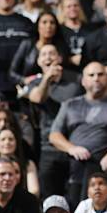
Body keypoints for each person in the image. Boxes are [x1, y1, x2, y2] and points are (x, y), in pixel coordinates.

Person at [49, 62, 107, 208]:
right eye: (91, 75)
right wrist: (72, 148)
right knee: (77, 212)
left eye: (100, 74)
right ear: (83, 80)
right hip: (77, 167)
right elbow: (54, 135)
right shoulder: (70, 104)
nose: (96, 78)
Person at [27, 44, 82, 198]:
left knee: (74, 195)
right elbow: (38, 98)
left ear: (60, 58)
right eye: (43, 54)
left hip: (74, 145)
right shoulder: (35, 83)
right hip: (48, 149)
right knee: (49, 196)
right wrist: (47, 78)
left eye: (52, 53)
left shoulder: (76, 80)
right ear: (38, 61)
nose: (48, 57)